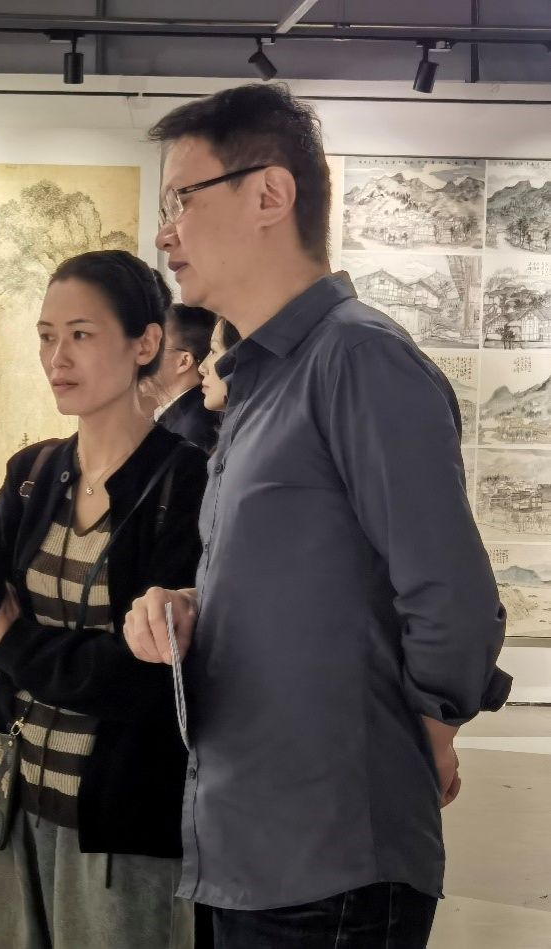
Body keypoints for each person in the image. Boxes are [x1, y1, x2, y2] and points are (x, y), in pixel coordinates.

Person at [124, 83, 511, 948]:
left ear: (270, 193)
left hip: (331, 865)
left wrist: (424, 732)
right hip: (250, 847)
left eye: (181, 200)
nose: (165, 234)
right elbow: (308, 579)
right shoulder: (261, 382)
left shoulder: (358, 358)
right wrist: (191, 606)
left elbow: (452, 596)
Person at [0, 250, 209, 948]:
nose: (57, 357)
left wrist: (18, 641)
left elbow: (139, 679)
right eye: (47, 336)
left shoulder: (187, 483)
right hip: (6, 789)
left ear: (145, 342)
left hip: (118, 812)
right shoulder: (34, 472)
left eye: (81, 334)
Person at [153, 304, 222, 453]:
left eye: (155, 345)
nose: (141, 353)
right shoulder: (183, 418)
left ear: (184, 361)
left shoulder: (192, 431)